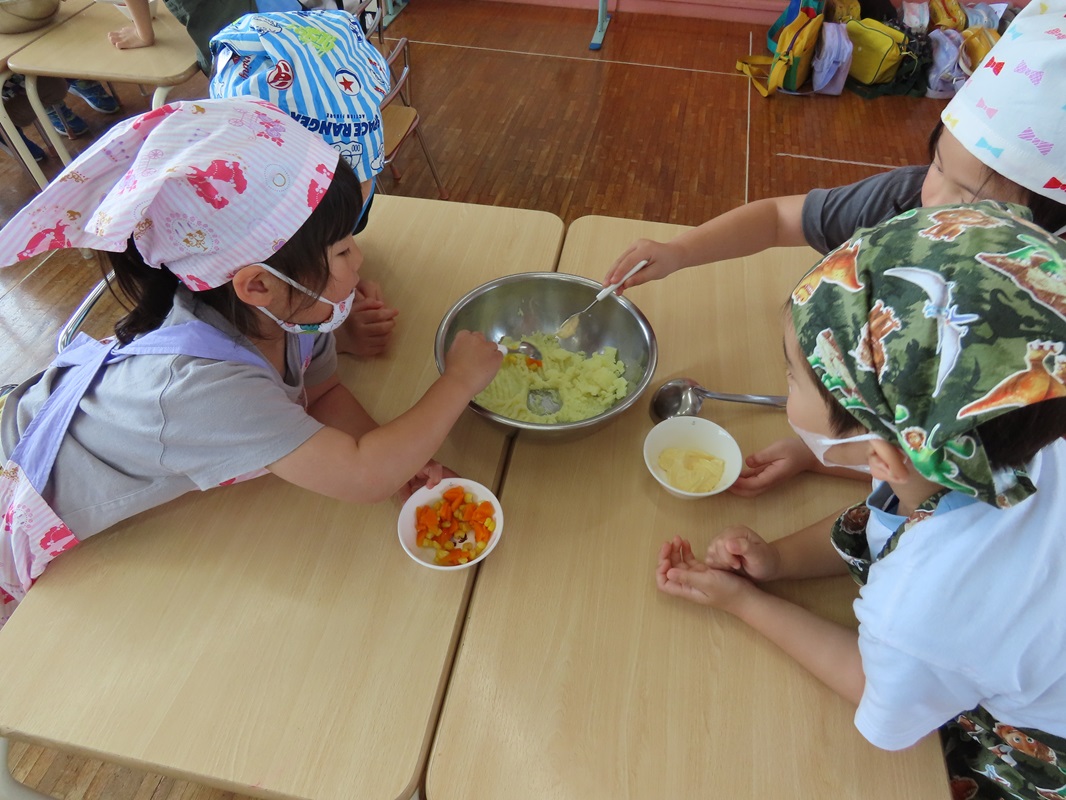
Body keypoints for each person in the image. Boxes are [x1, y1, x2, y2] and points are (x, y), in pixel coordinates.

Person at [0, 98, 503, 628]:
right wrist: (459, 381)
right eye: (340, 252)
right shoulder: (202, 389)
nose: (359, 260)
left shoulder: (290, 314)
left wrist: (403, 459)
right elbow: (361, 474)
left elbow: (325, 393)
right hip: (17, 482)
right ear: (257, 283)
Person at [656, 201, 1066, 800]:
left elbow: (877, 693)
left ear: (885, 452)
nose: (785, 387)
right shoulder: (1012, 429)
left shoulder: (922, 608)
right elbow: (902, 512)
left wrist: (743, 603)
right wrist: (780, 560)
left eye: (793, 377)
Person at [605, 0, 1066, 497]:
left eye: (968, 198)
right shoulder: (904, 199)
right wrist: (679, 252)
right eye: (938, 165)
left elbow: (958, 475)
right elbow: (781, 216)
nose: (934, 200)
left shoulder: (1033, 344)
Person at [208, 9, 399, 357]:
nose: (354, 245)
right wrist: (330, 335)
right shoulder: (220, 270)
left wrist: (340, 289)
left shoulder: (309, 227)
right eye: (339, 241)